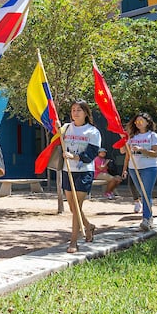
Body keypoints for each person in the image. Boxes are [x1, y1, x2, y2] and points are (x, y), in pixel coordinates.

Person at [60, 100, 101, 253]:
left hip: (84, 171)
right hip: (67, 171)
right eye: (73, 109)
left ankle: (73, 241)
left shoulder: (92, 132)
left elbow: (91, 154)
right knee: (72, 207)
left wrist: (74, 157)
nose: (75, 112)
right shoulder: (65, 128)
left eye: (79, 110)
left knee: (77, 206)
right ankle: (89, 226)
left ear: (85, 113)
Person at [120, 113, 157, 231]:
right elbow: (125, 153)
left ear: (147, 122)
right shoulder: (132, 137)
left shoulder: (153, 136)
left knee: (146, 192)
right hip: (134, 169)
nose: (138, 123)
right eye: (136, 121)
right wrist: (123, 147)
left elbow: (155, 153)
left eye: (141, 121)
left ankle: (146, 219)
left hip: (149, 167)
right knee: (142, 193)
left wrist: (141, 149)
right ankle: (149, 216)